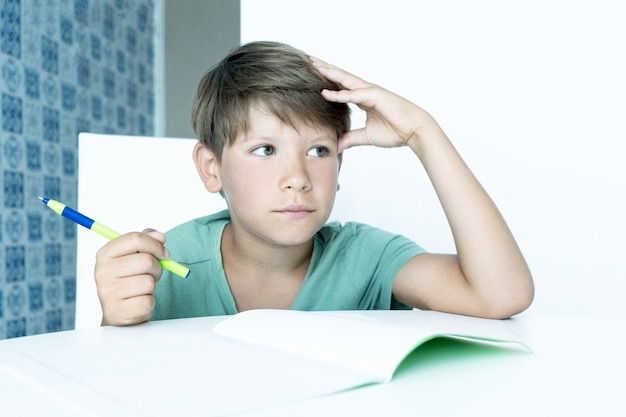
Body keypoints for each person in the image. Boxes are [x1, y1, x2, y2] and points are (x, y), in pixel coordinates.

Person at [95, 41, 534, 326]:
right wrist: (114, 323)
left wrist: (423, 133)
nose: (298, 179)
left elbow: (501, 295)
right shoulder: (162, 269)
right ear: (212, 169)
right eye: (265, 150)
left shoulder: (366, 257)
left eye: (319, 151)